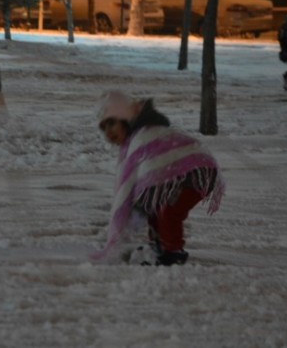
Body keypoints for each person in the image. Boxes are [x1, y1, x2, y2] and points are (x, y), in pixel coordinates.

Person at [90, 90, 225, 266]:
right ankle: (158, 245)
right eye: (103, 128)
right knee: (154, 207)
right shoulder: (135, 141)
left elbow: (130, 184)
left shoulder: (145, 135)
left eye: (111, 123)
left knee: (168, 210)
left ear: (125, 117)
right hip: (177, 176)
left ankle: (173, 252)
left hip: (198, 173)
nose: (108, 132)